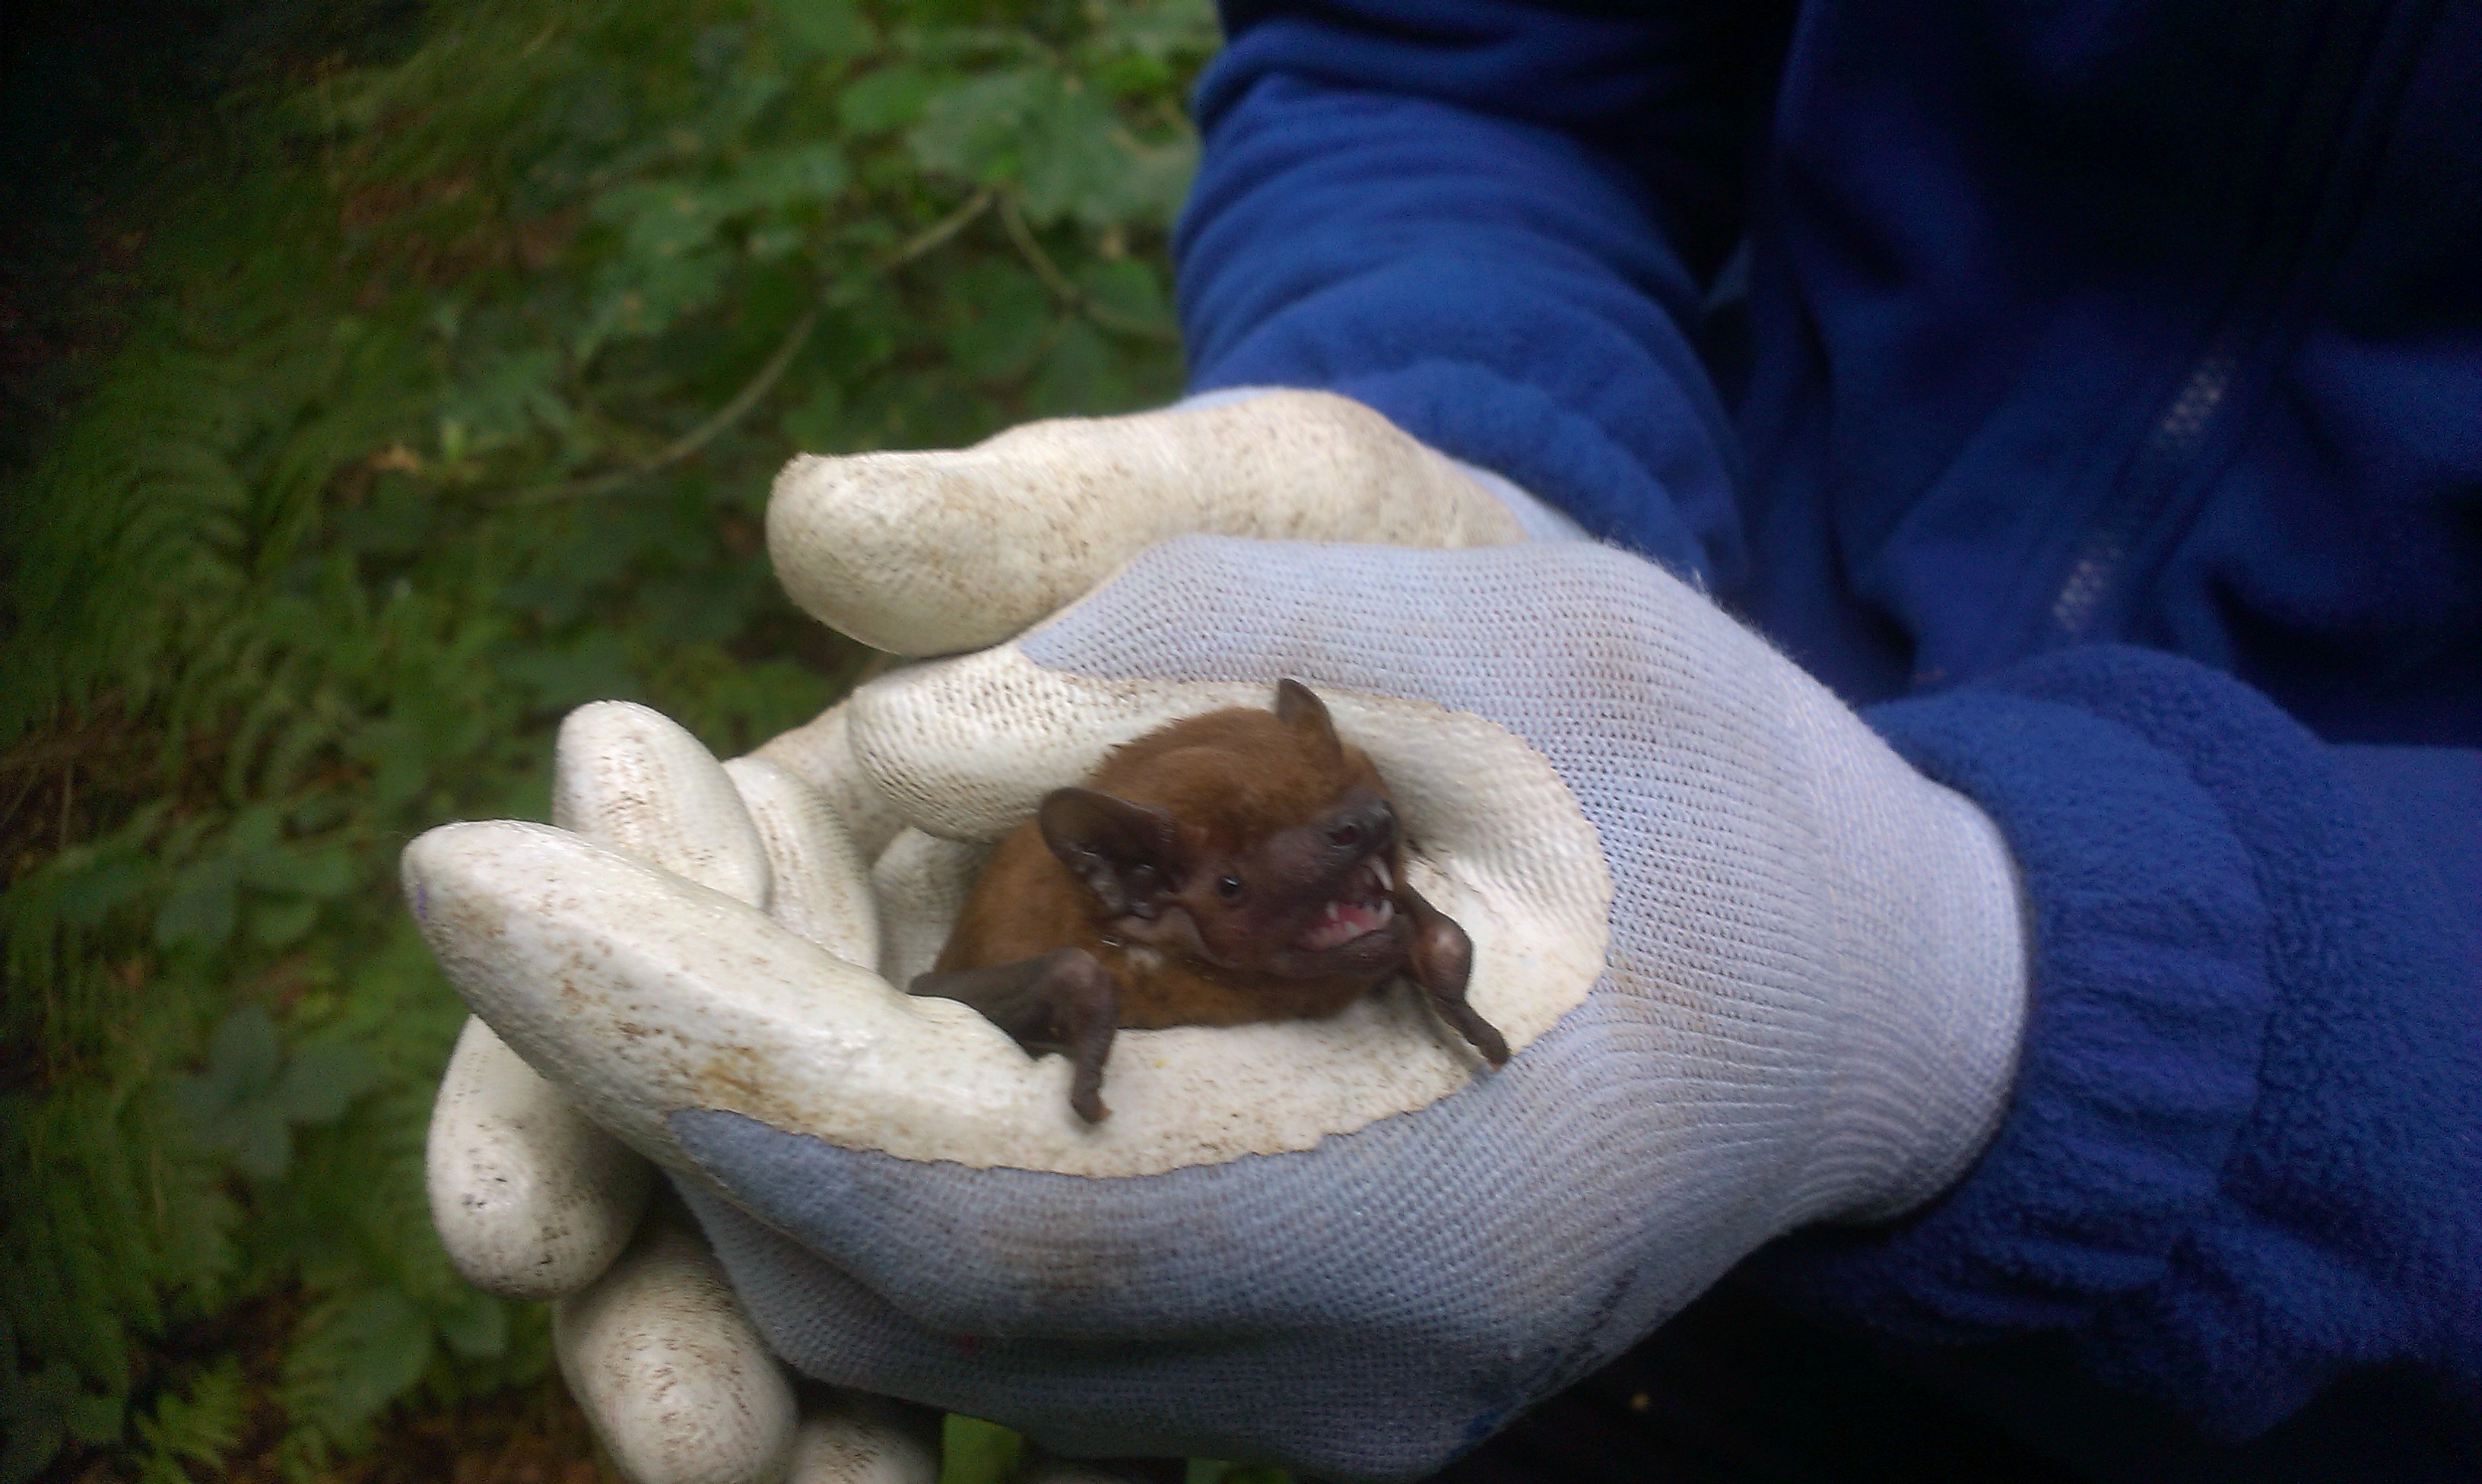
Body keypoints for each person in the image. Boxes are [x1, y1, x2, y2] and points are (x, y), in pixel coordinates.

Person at [411, 1, 2482, 1480]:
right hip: (1559, 1328)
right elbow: (1445, 61)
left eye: (1368, 853)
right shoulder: (1131, 932)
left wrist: (1993, 988)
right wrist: (1489, 471)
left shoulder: (1358, 909)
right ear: (1141, 894)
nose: (1365, 890)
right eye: (1304, 869)